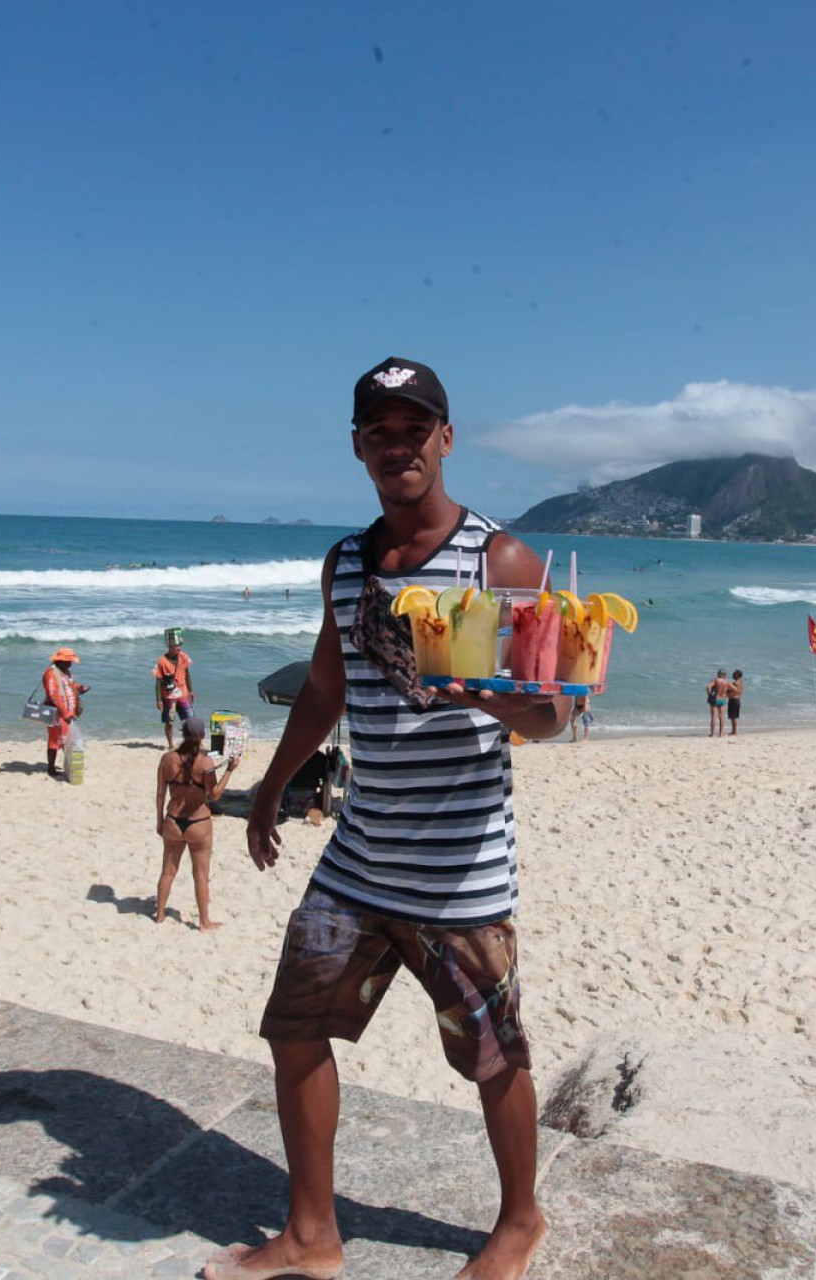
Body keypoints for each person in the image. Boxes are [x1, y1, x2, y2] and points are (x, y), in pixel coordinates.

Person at [224, 356, 566, 1280]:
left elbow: (554, 712)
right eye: (379, 431)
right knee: (295, 1028)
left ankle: (520, 1223)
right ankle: (310, 1235)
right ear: (358, 448)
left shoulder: (501, 560)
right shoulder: (344, 564)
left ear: (446, 439)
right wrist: (270, 785)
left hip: (460, 873)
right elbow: (327, 686)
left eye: (415, 429)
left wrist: (481, 694)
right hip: (359, 855)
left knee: (493, 1056)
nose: (398, 445)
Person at [155, 716, 237, 932]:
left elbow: (161, 793)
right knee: (200, 875)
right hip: (198, 822)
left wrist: (158, 821)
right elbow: (215, 794)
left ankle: (160, 914)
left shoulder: (167, 759)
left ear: (182, 733)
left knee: (167, 872)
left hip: (173, 820)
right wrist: (230, 770)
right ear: (202, 736)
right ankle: (204, 922)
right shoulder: (205, 762)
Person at [41, 648, 87, 778]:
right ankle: (51, 768)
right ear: (60, 661)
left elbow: (69, 685)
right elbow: (53, 694)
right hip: (57, 713)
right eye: (68, 661)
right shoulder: (51, 673)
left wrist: (79, 688)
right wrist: (65, 712)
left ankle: (67, 765)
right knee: (55, 740)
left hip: (68, 713)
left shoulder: (65, 671)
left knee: (66, 740)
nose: (70, 664)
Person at [153, 628, 195, 749]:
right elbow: (158, 682)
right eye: (176, 646)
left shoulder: (183, 657)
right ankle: (171, 744)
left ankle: (188, 743)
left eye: (179, 646)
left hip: (183, 694)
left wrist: (191, 690)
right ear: (170, 646)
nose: (179, 648)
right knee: (169, 723)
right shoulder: (162, 661)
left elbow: (187, 673)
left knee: (189, 720)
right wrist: (159, 700)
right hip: (168, 697)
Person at [705, 669, 730, 737]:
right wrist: (727, 695)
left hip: (716, 699)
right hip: (723, 699)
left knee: (714, 717)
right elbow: (734, 689)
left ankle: (712, 734)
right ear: (725, 675)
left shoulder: (716, 680)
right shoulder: (726, 681)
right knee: (721, 717)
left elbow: (708, 687)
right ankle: (721, 733)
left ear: (718, 674)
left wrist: (709, 694)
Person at [727, 670, 745, 736]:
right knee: (734, 717)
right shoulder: (741, 682)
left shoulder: (735, 683)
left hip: (733, 700)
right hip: (738, 700)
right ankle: (734, 731)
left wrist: (727, 694)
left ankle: (734, 732)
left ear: (737, 675)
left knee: (733, 717)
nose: (732, 675)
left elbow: (732, 690)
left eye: (734, 674)